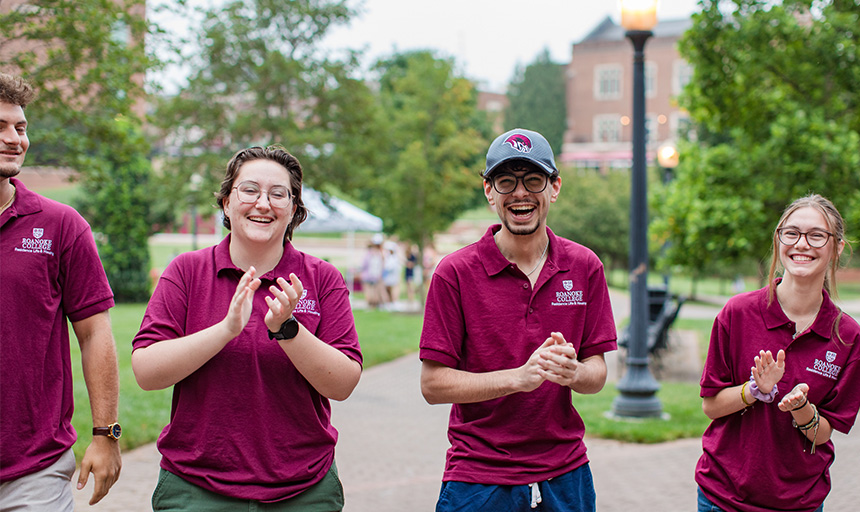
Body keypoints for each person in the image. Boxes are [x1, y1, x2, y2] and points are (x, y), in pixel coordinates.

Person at [131, 146, 362, 510]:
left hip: (304, 490)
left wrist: (288, 329)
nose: (263, 204)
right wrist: (225, 330)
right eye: (249, 190)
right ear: (226, 202)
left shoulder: (322, 278)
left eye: (278, 194)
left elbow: (343, 383)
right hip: (196, 487)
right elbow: (146, 372)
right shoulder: (186, 272)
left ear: (294, 210)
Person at [419, 128, 617, 512]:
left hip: (566, 474)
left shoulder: (585, 266)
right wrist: (518, 378)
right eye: (506, 181)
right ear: (489, 191)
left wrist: (573, 372)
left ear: (554, 187)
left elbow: (597, 372)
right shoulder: (454, 273)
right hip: (478, 477)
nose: (520, 193)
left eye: (534, 180)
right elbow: (432, 385)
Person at [0, 73, 122, 508]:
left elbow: (94, 333)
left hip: (34, 470)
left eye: (20, 127)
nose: (15, 139)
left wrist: (107, 434)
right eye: (1, 127)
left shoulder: (61, 225)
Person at [696, 194, 860, 512]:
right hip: (724, 497)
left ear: (837, 247)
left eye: (816, 235)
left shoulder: (848, 336)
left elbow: (824, 432)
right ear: (779, 239)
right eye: (792, 233)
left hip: (801, 502)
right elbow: (711, 406)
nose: (802, 244)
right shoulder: (738, 312)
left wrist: (802, 409)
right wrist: (755, 390)